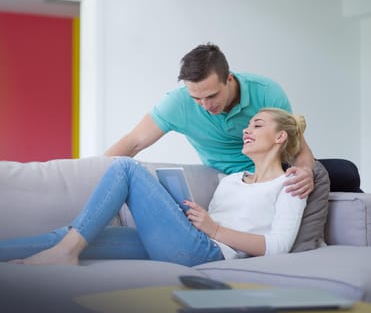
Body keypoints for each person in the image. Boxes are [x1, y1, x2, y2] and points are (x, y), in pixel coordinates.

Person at [0, 108, 307, 267]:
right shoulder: (231, 178)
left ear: (279, 138)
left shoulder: (291, 184)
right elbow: (210, 219)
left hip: (209, 252)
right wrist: (189, 213)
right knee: (77, 236)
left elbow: (277, 246)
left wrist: (214, 230)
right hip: (189, 238)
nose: (247, 129)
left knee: (125, 167)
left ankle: (66, 252)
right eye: (248, 124)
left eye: (257, 125)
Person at [105, 43, 316, 199]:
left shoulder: (266, 93)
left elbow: (298, 148)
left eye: (212, 96)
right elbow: (133, 142)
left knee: (338, 171)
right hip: (232, 180)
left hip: (274, 173)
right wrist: (91, 171)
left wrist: (306, 173)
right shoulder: (178, 103)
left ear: (229, 79)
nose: (205, 105)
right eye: (196, 98)